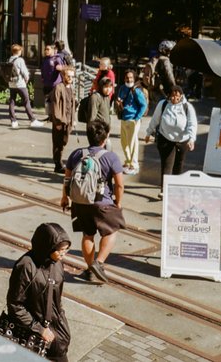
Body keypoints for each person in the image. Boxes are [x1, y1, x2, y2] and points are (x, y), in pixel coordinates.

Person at [61, 120, 125, 284]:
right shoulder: (111, 157)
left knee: (87, 235)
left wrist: (64, 198)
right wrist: (118, 203)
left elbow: (67, 179)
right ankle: (99, 263)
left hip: (80, 202)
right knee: (112, 230)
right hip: (102, 202)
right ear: (106, 137)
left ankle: (89, 270)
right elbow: (119, 184)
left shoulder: (76, 154)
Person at [6, 222, 71, 362]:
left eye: (66, 250)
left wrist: (61, 324)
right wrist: (39, 329)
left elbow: (56, 299)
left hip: (56, 332)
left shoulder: (57, 264)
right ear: (48, 247)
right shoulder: (25, 267)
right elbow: (15, 305)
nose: (63, 254)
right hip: (32, 334)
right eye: (60, 250)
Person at [144, 85, 197, 199]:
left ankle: (176, 188)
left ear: (181, 96)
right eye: (172, 96)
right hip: (165, 138)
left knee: (178, 165)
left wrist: (191, 139)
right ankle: (164, 189)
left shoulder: (187, 107)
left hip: (182, 141)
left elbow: (192, 124)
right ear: (169, 96)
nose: (174, 99)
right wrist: (149, 133)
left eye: (177, 97)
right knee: (167, 164)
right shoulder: (163, 104)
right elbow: (155, 119)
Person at [115, 70, 148, 175]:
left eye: (131, 78)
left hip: (133, 120)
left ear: (134, 78)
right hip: (124, 119)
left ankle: (134, 165)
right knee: (124, 143)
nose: (129, 80)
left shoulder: (137, 91)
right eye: (127, 78)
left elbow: (144, 105)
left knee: (133, 143)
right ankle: (128, 162)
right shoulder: (122, 88)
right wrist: (119, 103)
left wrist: (137, 118)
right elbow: (120, 100)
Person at [6, 44, 43, 129]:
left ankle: (13, 121)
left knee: (12, 101)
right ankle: (32, 120)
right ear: (19, 51)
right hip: (20, 84)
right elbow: (25, 72)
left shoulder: (9, 59)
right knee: (26, 101)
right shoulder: (20, 60)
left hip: (11, 84)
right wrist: (27, 78)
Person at [49, 67, 76, 173]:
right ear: (63, 76)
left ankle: (59, 162)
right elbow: (55, 106)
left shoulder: (71, 88)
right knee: (57, 143)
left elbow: (72, 105)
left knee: (64, 141)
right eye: (68, 76)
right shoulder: (58, 87)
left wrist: (73, 120)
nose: (70, 78)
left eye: (72, 76)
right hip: (60, 121)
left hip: (68, 120)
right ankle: (58, 164)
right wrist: (57, 122)